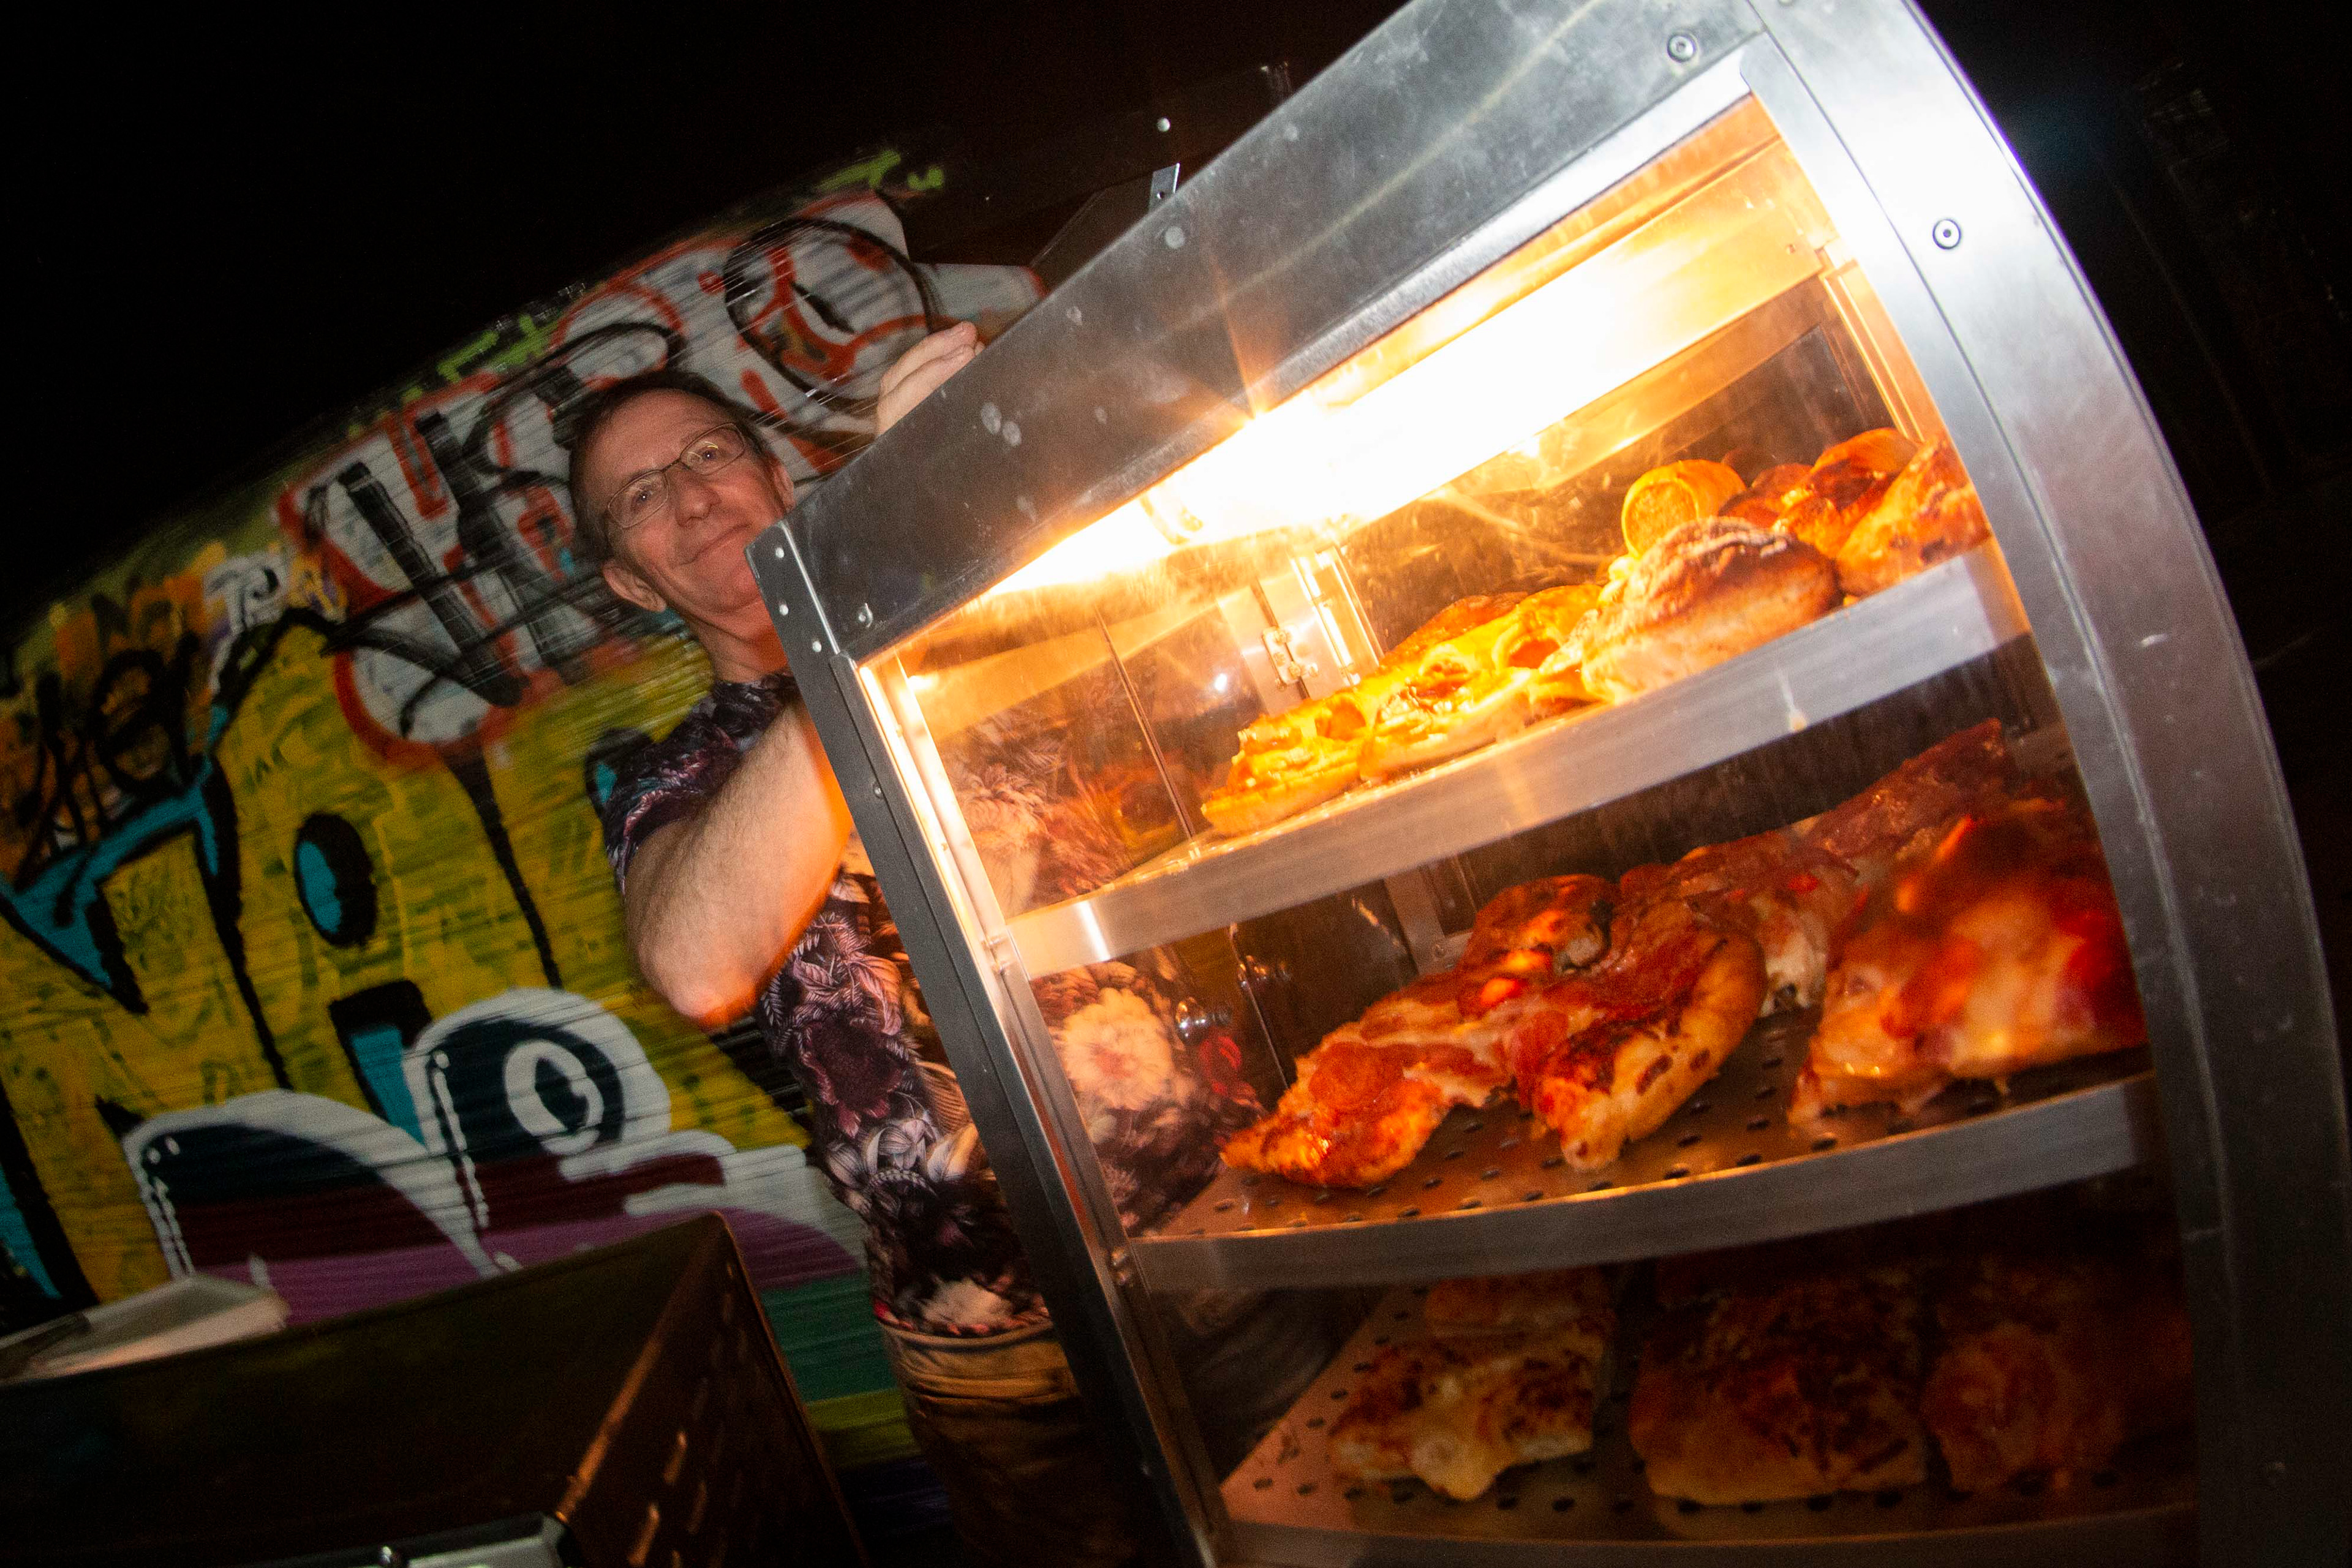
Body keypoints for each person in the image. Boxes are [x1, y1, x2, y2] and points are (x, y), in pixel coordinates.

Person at [574, 323, 1162, 1568]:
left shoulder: (976, 628)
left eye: (709, 453)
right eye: (642, 496)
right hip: (1006, 1359)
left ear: (777, 473)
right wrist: (864, 566)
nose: (692, 496)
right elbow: (697, 962)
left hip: (1237, 1216)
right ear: (631, 581)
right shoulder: (675, 781)